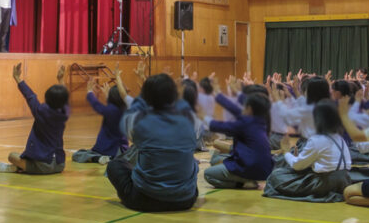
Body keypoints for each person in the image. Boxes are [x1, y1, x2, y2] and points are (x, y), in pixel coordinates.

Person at [106, 73, 199, 212]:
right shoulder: (189, 121)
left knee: (114, 166)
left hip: (147, 199)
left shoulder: (141, 122)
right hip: (186, 199)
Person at [263, 100, 352, 202]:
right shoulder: (339, 138)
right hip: (344, 181)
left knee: (276, 176)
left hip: (324, 183)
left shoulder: (317, 139)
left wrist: (286, 151)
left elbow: (297, 165)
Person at [0, 63, 69, 174]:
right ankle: (21, 167)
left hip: (44, 165)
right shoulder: (63, 114)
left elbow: (30, 96)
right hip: (60, 165)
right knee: (22, 158)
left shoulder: (41, 111)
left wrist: (17, 78)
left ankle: (18, 167)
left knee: (12, 156)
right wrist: (61, 80)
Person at [204, 92, 274, 189]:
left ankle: (244, 183)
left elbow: (220, 126)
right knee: (215, 160)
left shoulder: (246, 123)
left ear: (250, 108)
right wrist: (218, 95)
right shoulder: (261, 121)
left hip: (249, 167)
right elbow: (236, 111)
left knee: (208, 174)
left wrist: (203, 116)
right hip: (264, 170)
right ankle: (245, 180)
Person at [71, 75, 128, 164]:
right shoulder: (125, 109)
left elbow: (97, 105)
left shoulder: (112, 110)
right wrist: (108, 97)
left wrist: (90, 92)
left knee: (78, 155)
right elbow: (114, 104)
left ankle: (98, 158)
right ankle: (105, 158)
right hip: (121, 150)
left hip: (106, 149)